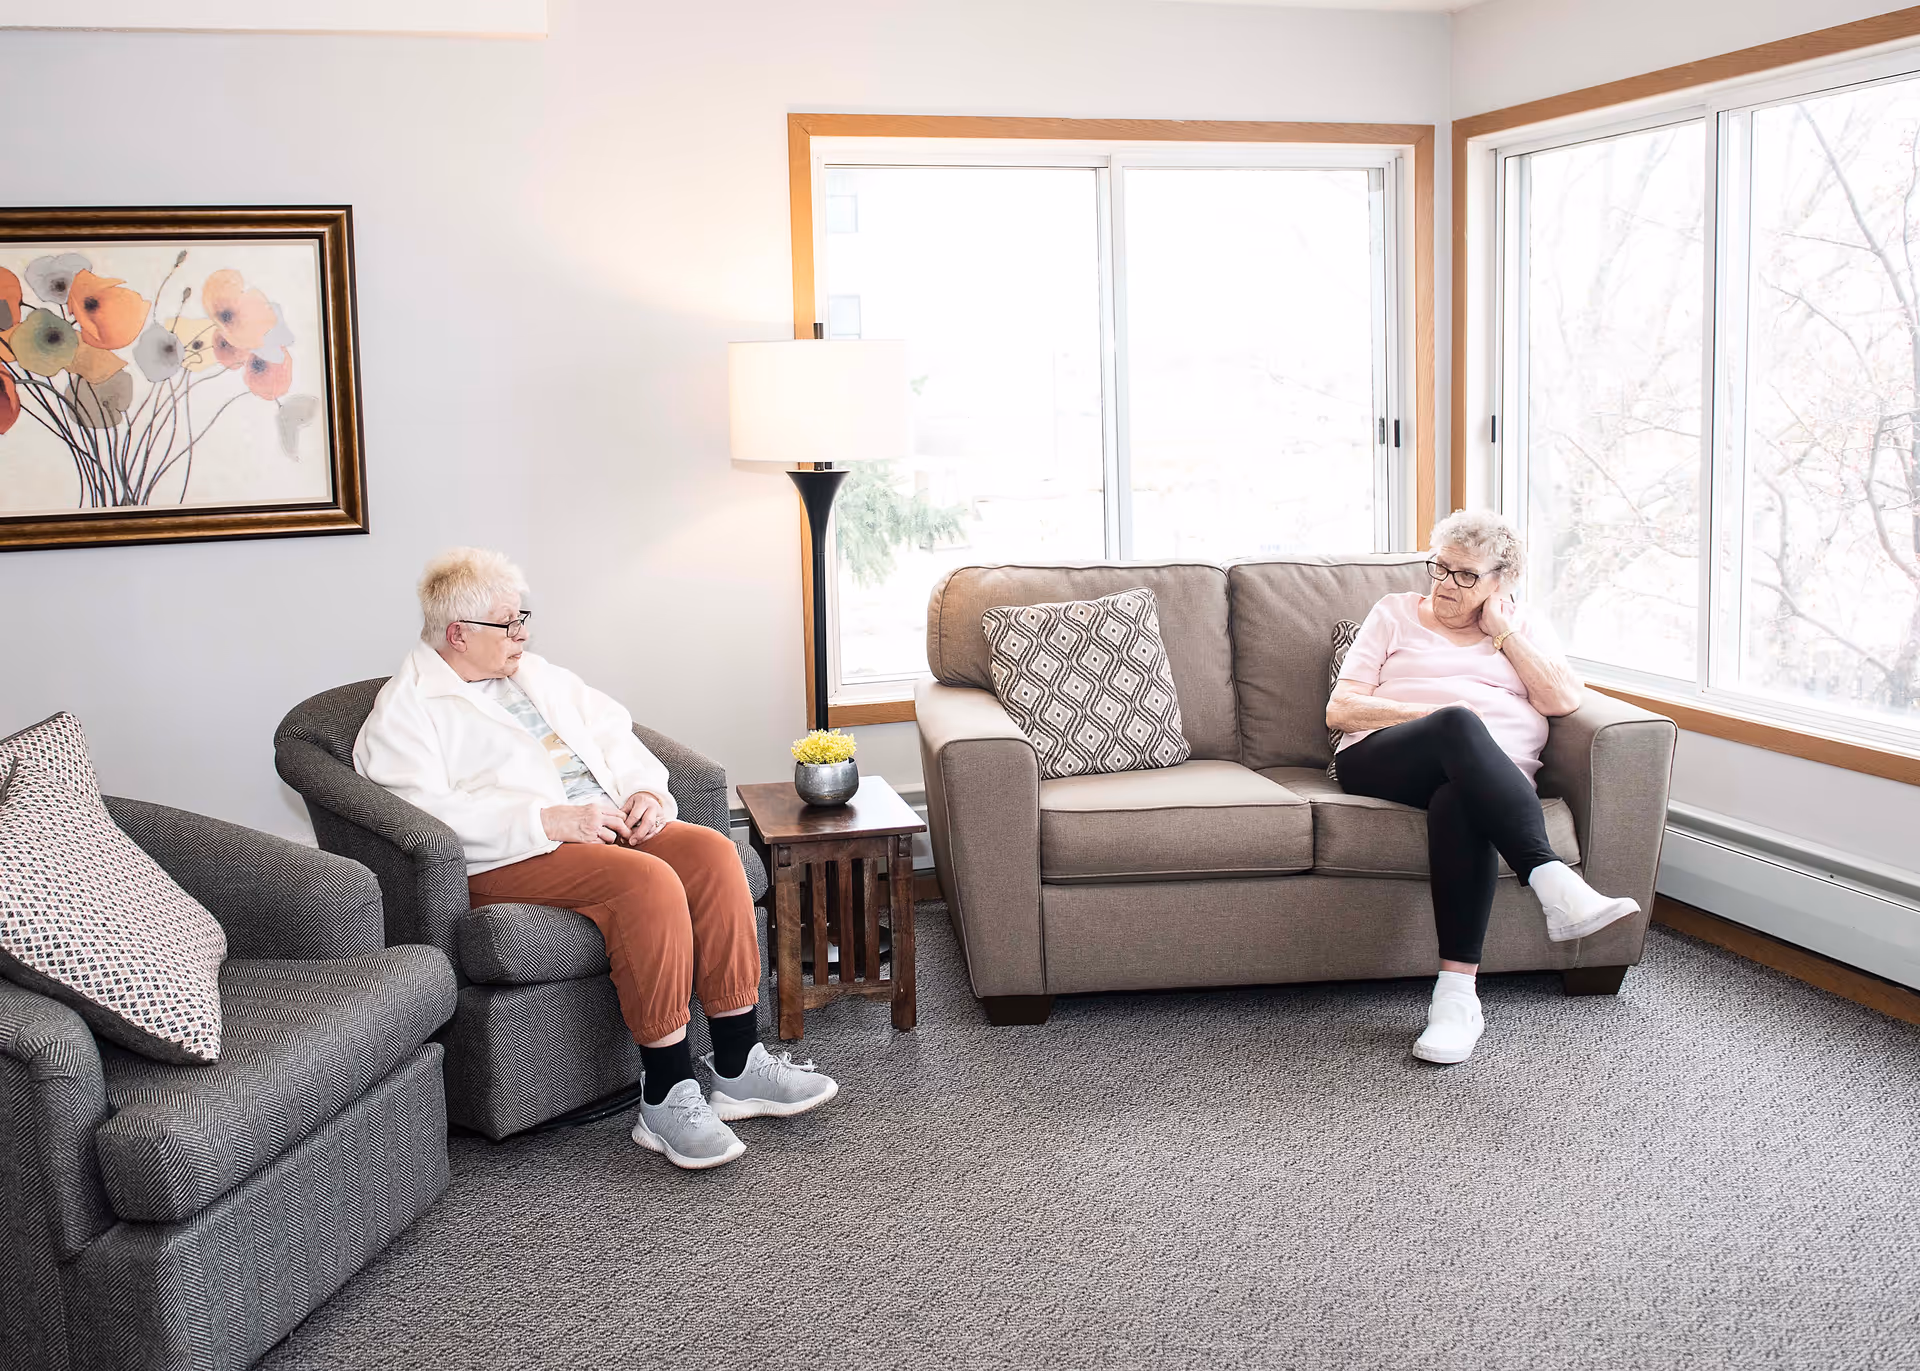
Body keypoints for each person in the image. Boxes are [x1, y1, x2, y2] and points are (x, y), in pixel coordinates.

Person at [355, 547, 837, 1169]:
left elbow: (617, 734)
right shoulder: (407, 709)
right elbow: (421, 819)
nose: (522, 633)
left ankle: (739, 1064)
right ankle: (664, 1095)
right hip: (515, 852)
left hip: (605, 824)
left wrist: (644, 791)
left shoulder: (537, 675)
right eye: (509, 624)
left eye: (523, 617)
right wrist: (547, 820)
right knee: (647, 883)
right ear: (458, 633)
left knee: (716, 854)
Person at [1326, 510, 1640, 1066]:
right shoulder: (1395, 613)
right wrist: (1434, 717)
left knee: (1460, 800)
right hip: (1383, 759)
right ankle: (1550, 878)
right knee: (1457, 721)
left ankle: (1456, 1000)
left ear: (1501, 582)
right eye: (1440, 567)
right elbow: (1341, 708)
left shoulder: (1522, 625)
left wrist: (1503, 633)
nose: (1446, 583)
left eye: (1466, 575)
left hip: (1484, 780)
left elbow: (1563, 701)